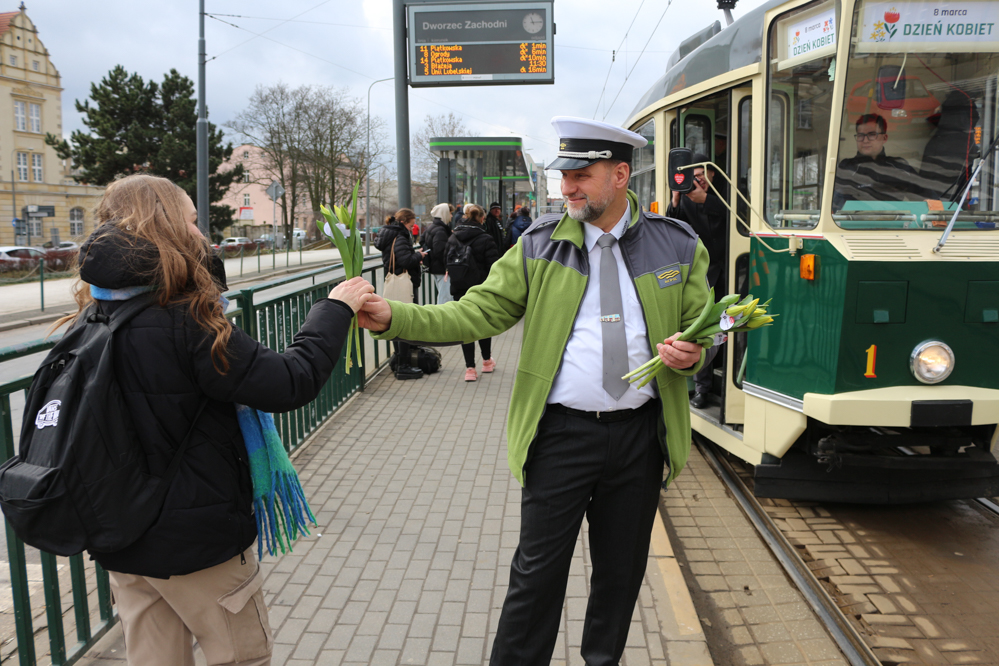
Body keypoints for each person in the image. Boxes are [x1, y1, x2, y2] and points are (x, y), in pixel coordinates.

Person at [356, 116, 710, 665]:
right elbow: (475, 312)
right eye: (563, 175)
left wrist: (694, 355)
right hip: (560, 436)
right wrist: (395, 318)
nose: (566, 187)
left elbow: (699, 328)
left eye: (580, 175)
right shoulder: (538, 246)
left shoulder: (677, 245)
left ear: (620, 175)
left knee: (620, 576)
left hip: (640, 438)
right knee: (536, 577)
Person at [63, 174, 373, 666]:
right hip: (197, 544)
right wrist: (335, 309)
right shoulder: (187, 321)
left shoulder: (91, 315)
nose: (201, 232)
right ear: (165, 225)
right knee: (241, 655)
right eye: (191, 220)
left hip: (122, 537)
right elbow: (290, 381)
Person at [666, 152, 728, 410]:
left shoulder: (727, 192)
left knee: (734, 328)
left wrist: (707, 200)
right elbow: (673, 227)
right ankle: (702, 389)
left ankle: (729, 384)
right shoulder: (687, 197)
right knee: (705, 329)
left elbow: (739, 216)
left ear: (712, 172)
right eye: (694, 177)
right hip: (706, 274)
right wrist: (675, 199)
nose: (698, 181)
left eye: (702, 175)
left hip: (733, 271)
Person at [446, 204, 500, 381]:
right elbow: (494, 266)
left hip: (459, 288)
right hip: (480, 288)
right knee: (483, 323)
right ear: (482, 218)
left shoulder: (453, 237)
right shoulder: (485, 238)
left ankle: (470, 369)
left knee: (465, 326)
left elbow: (446, 260)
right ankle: (486, 361)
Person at [375, 208, 427, 380]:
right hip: (403, 284)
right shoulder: (400, 236)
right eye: (411, 225)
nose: (412, 228)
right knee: (405, 323)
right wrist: (419, 255)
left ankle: (398, 361)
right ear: (403, 222)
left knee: (395, 322)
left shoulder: (390, 234)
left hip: (393, 282)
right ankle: (403, 366)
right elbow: (405, 260)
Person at [833, 113, 923, 209]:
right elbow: (836, 206)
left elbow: (924, 200)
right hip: (854, 218)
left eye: (872, 134)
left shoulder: (899, 166)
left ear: (884, 138)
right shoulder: (846, 167)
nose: (865, 140)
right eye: (860, 135)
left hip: (893, 218)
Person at [423, 202, 454, 304]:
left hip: (436, 267)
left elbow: (423, 241)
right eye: (450, 213)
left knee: (443, 295)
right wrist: (448, 264)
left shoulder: (433, 227)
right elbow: (440, 251)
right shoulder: (441, 230)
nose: (451, 216)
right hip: (442, 269)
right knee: (445, 298)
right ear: (444, 213)